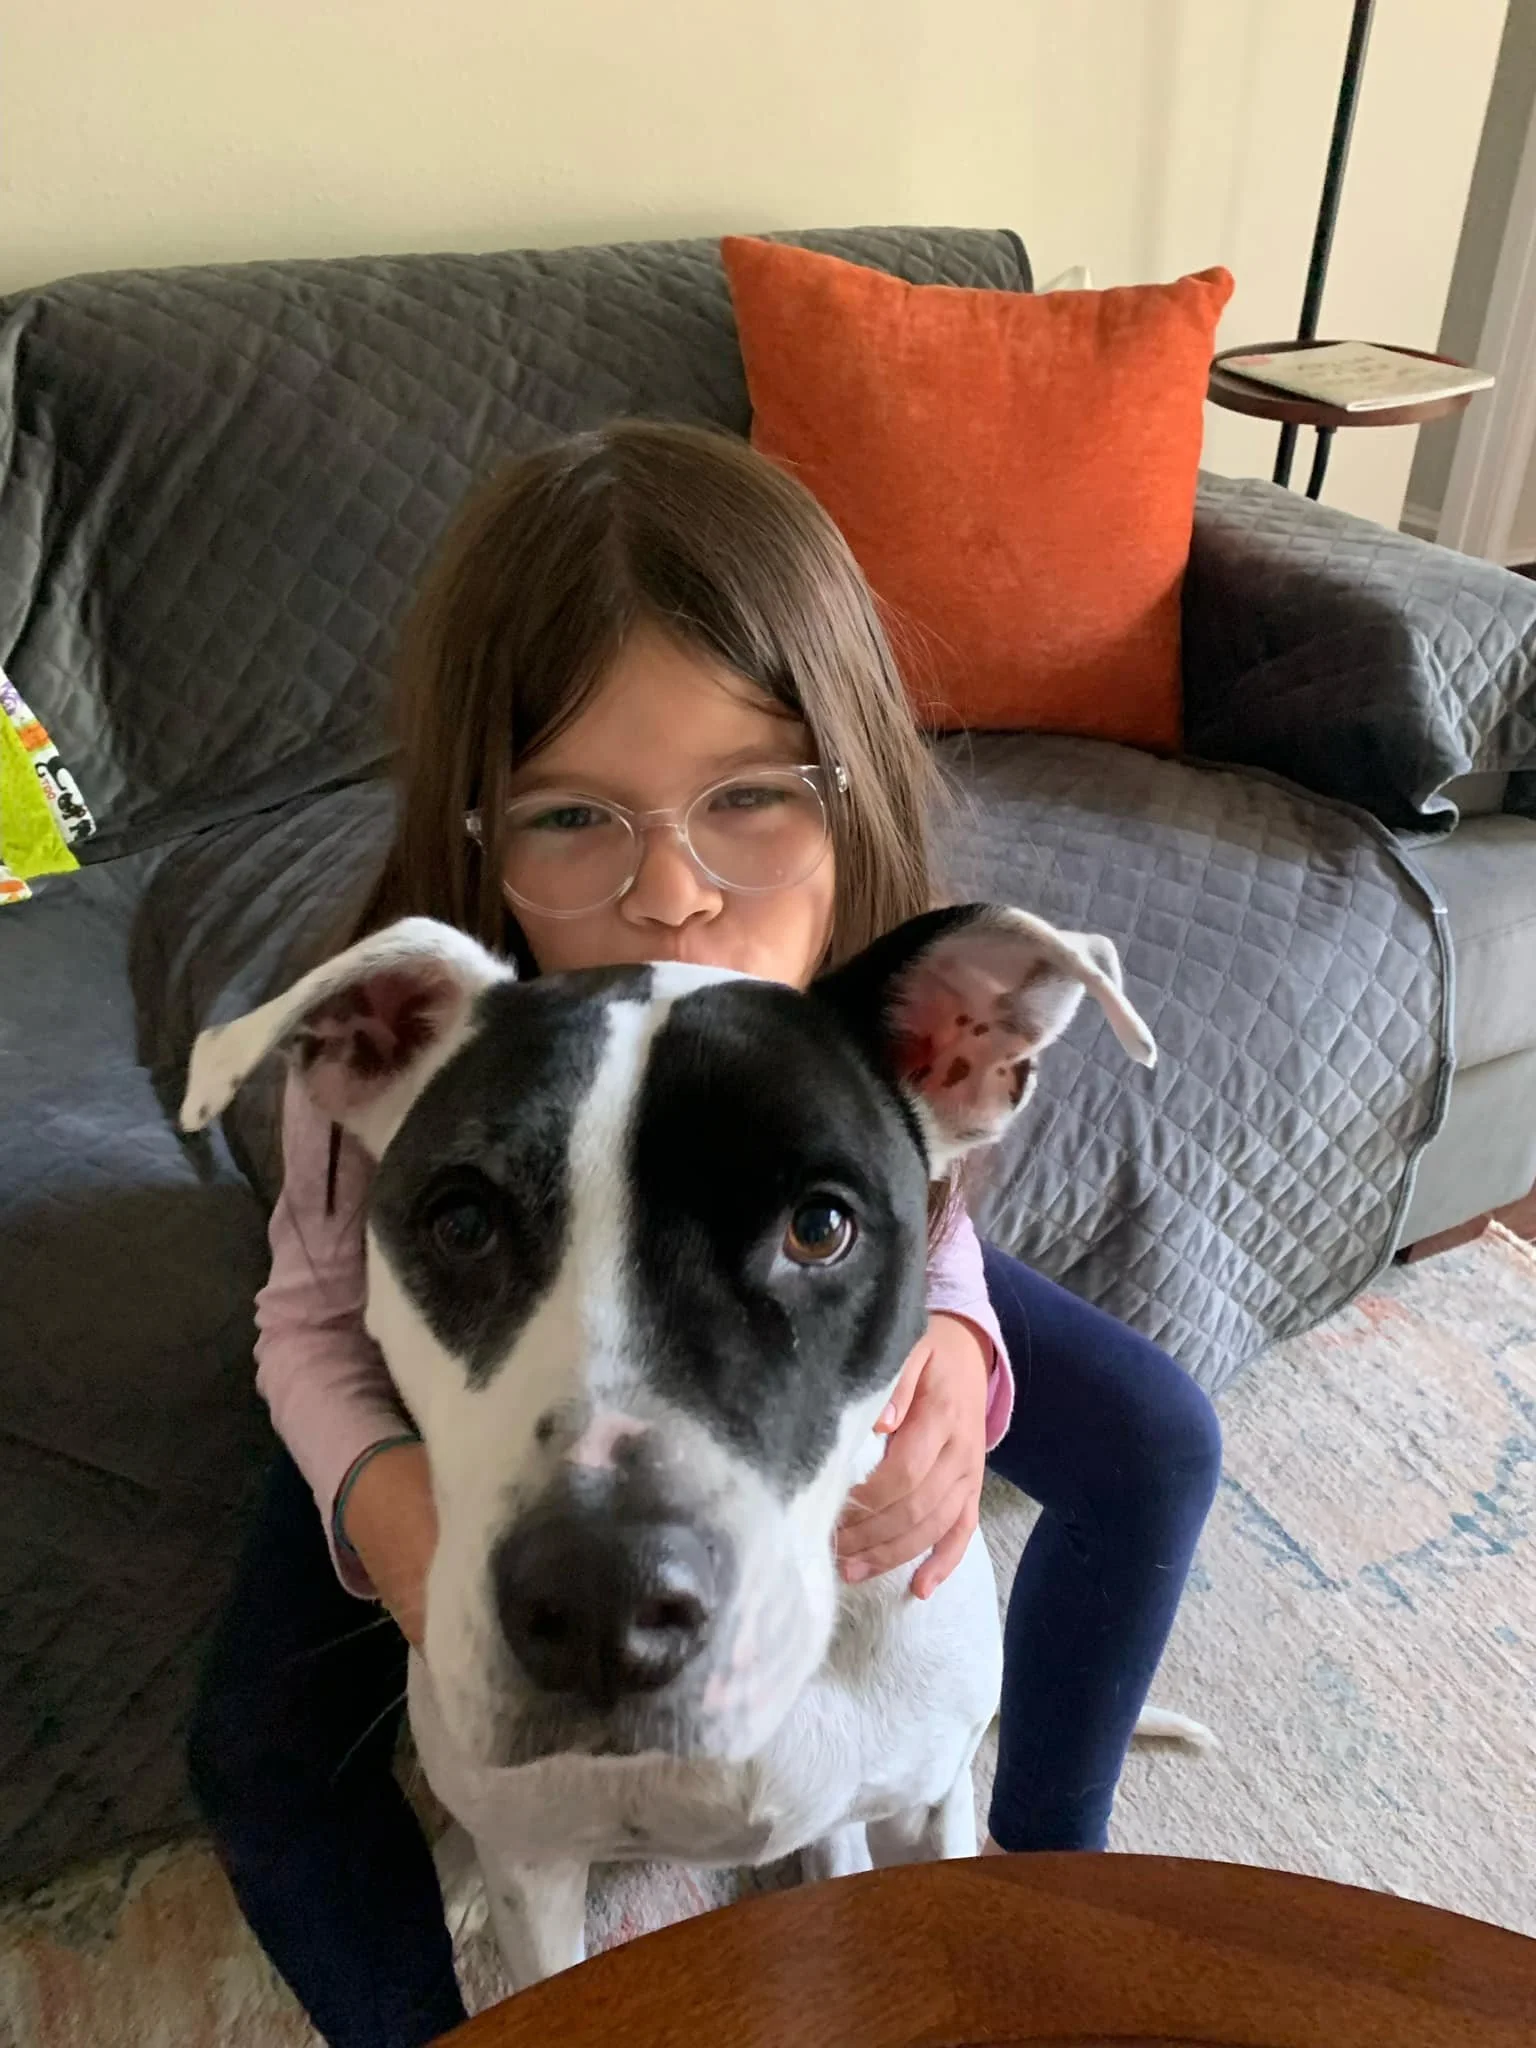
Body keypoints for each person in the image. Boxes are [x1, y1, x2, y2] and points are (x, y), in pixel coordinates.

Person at [188, 422, 1221, 2048]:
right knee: (256, 1753)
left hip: (799, 1253)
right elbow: (310, 1325)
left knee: (1157, 1434)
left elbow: (915, 1218)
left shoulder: (876, 1008)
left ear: (849, 787)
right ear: (476, 830)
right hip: (439, 1359)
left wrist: (959, 1341)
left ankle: (1049, 1858)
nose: (674, 895)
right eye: (573, 819)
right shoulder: (410, 1047)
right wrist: (388, 1509)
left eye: (747, 796)